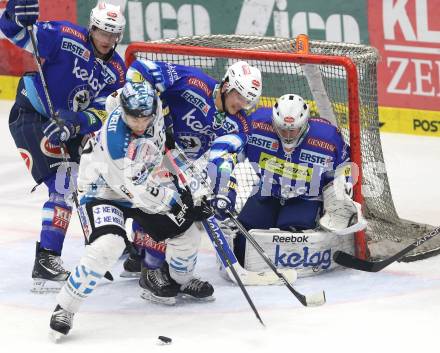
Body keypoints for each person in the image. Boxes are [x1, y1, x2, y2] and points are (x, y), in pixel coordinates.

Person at [49, 79, 214, 338]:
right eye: (133, 118)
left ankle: (181, 280)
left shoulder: (154, 108)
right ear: (124, 111)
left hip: (144, 176)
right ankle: (65, 307)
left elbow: (166, 149)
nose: (139, 123)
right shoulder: (118, 144)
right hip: (102, 189)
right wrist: (184, 202)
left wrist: (197, 188)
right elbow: (142, 194)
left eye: (144, 117)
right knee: (109, 245)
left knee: (187, 235)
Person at [0, 1, 127, 292]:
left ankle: (98, 247)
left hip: (68, 127)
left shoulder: (117, 70)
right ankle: (46, 259)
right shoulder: (63, 35)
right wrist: (13, 13)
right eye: (103, 32)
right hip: (33, 114)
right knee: (64, 182)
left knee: (93, 181)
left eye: (114, 34)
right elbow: (13, 31)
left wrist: (77, 121)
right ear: (92, 27)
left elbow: (103, 111)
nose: (107, 40)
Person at [106, 59, 262, 278]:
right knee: (156, 205)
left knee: (180, 207)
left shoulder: (241, 125)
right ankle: (148, 265)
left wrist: (222, 189)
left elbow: (221, 156)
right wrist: (159, 114)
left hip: (182, 161)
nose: (242, 105)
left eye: (248, 101)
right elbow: (140, 70)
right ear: (227, 86)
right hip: (149, 146)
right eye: (240, 97)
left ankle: (145, 259)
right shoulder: (193, 82)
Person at [209, 94, 366, 265]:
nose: (288, 135)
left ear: (305, 124)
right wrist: (223, 182)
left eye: (293, 130)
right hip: (267, 190)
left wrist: (339, 190)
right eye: (282, 129)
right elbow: (230, 154)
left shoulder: (327, 138)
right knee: (244, 231)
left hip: (306, 197)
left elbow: (347, 166)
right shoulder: (257, 126)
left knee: (294, 233)